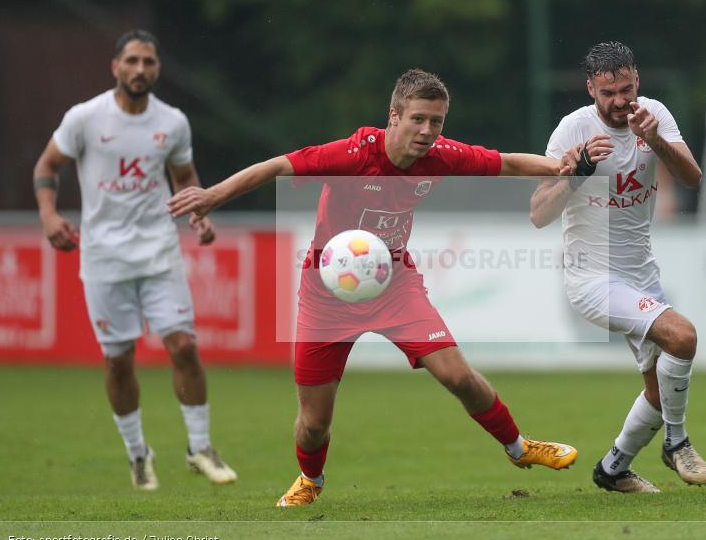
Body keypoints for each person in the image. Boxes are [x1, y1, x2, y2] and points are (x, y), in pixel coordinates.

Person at [168, 68, 579, 507]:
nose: (427, 131)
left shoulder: (441, 156)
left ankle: (520, 448)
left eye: (436, 122)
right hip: (327, 293)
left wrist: (560, 165)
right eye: (418, 119)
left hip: (394, 283)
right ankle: (311, 478)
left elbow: (508, 162)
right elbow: (277, 167)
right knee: (314, 422)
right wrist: (211, 196)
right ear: (394, 116)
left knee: (458, 375)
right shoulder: (350, 155)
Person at [33, 29, 236, 490]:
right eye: (132, 61)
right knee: (119, 361)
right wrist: (48, 216)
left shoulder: (173, 122)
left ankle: (200, 446)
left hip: (158, 251)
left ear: (158, 68)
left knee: (184, 346)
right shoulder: (85, 118)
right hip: (104, 257)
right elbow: (46, 167)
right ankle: (137, 452)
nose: (140, 69)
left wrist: (199, 215)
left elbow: (183, 176)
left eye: (148, 62)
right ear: (116, 67)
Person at [530, 41, 706, 493]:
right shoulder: (572, 129)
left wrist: (654, 139)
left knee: (658, 392)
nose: (619, 102)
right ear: (591, 88)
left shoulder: (653, 114)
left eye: (626, 89)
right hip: (591, 278)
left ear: (638, 81)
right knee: (683, 336)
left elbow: (693, 177)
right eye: (608, 92)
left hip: (641, 273)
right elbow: (539, 213)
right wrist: (579, 170)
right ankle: (677, 444)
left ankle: (613, 469)